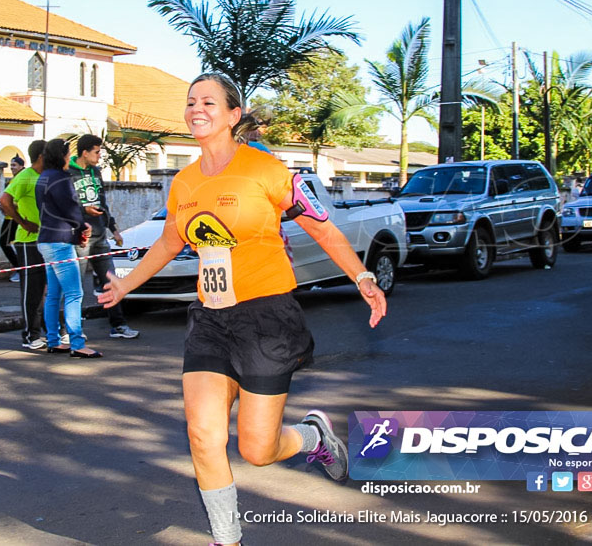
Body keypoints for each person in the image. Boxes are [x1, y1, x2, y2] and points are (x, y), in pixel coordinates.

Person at [98, 73, 387, 546]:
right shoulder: (185, 182)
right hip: (211, 319)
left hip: (267, 317)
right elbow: (171, 240)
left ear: (233, 116)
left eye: (208, 101)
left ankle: (313, 437)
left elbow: (323, 228)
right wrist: (125, 284)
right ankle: (226, 539)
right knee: (202, 435)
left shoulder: (267, 171)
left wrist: (363, 277)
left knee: (257, 449)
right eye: (191, 101)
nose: (196, 108)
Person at [68, 134, 139, 339]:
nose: (99, 156)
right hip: (79, 237)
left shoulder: (96, 172)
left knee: (110, 280)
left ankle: (118, 325)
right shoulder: (68, 173)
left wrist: (114, 229)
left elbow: (103, 204)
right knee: (75, 286)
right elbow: (65, 204)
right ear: (85, 152)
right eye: (97, 152)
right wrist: (84, 210)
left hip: (99, 237)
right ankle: (71, 330)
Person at [36, 139, 98, 358]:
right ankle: (77, 343)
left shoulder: (43, 177)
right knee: (74, 293)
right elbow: (70, 209)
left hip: (46, 239)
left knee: (54, 293)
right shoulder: (61, 179)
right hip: (60, 241)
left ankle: (53, 340)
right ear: (62, 156)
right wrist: (83, 227)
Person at [0, 141, 48, 350]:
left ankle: (52, 330)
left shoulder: (47, 177)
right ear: (40, 156)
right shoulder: (25, 176)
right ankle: (31, 335)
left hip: (47, 240)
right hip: (28, 242)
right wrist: (22, 222)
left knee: (49, 290)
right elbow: (4, 201)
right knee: (32, 291)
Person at [0, 155, 26, 282]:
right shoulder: (13, 180)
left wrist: (8, 205)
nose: (12, 168)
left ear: (21, 166)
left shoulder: (22, 179)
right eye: (11, 165)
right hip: (10, 215)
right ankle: (20, 268)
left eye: (14, 165)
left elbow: (21, 200)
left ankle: (20, 269)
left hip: (15, 217)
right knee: (7, 242)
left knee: (6, 242)